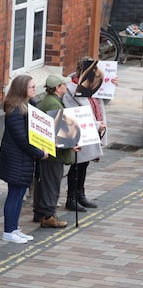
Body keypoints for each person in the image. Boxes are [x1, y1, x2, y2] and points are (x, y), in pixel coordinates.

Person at [0, 75, 47, 243]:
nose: (35, 89)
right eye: (31, 87)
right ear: (21, 89)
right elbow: (22, 139)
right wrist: (39, 153)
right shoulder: (15, 111)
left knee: (19, 195)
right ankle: (8, 231)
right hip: (15, 160)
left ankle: (14, 228)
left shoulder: (28, 106)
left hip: (23, 159)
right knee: (14, 194)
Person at [63, 57, 108, 212]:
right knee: (77, 164)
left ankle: (80, 194)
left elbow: (100, 102)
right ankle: (71, 198)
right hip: (81, 131)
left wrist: (110, 86)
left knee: (85, 163)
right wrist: (96, 125)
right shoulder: (71, 89)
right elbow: (74, 114)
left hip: (93, 131)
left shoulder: (91, 85)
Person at [33, 74, 78, 229]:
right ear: (58, 87)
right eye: (64, 85)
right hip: (54, 153)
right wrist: (71, 145)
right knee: (51, 184)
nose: (66, 87)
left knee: (44, 183)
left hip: (48, 151)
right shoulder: (54, 104)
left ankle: (40, 212)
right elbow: (59, 131)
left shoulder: (49, 100)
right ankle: (48, 215)